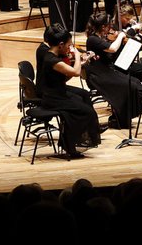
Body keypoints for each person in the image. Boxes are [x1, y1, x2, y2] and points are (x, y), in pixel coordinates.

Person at [35, 24, 101, 158]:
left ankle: (69, 144)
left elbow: (64, 78)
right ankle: (69, 145)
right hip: (52, 98)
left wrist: (81, 63)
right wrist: (77, 56)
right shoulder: (51, 59)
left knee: (82, 103)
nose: (70, 48)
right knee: (86, 112)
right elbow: (76, 73)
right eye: (69, 45)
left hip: (58, 93)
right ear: (60, 45)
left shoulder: (54, 57)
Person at [84, 12, 142, 130]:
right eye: (109, 25)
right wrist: (121, 36)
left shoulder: (102, 37)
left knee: (134, 82)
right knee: (127, 85)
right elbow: (112, 49)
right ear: (103, 27)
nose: (111, 28)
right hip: (97, 75)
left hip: (107, 71)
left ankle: (124, 116)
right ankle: (118, 118)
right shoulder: (92, 39)